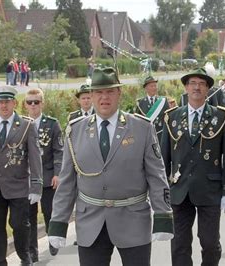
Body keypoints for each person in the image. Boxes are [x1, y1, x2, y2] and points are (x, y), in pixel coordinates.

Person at [48, 67, 174, 266]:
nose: (104, 97)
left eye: (110, 91)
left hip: (133, 218)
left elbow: (156, 175)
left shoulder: (142, 128)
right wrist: (58, 223)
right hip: (91, 221)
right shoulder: (76, 130)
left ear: (119, 94)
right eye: (99, 92)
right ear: (90, 95)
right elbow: (66, 182)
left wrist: (163, 215)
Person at [161, 68, 225, 266]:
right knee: (179, 244)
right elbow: (163, 158)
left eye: (201, 84)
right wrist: (160, 192)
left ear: (208, 90)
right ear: (185, 88)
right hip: (180, 190)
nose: (196, 87)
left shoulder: (220, 117)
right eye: (192, 83)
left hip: (209, 189)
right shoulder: (172, 117)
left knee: (210, 243)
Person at [0, 85, 43, 266]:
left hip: (19, 186)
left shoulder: (26, 125)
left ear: (14, 103)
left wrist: (36, 186)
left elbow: (35, 159)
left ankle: (24, 255)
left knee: (19, 225)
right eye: (0, 102)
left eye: (7, 102)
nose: (4, 106)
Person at [23, 88, 64, 261]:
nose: (33, 105)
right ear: (25, 105)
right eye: (30, 102)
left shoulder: (52, 124)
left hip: (47, 177)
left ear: (42, 103)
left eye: (36, 102)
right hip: (27, 178)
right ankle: (32, 250)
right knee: (28, 217)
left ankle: (52, 238)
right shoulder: (21, 125)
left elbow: (58, 151)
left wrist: (57, 174)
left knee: (49, 211)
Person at [134, 76, 169, 142]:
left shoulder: (163, 101)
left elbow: (168, 118)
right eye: (151, 86)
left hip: (160, 136)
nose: (154, 88)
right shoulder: (140, 103)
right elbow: (137, 121)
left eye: (155, 86)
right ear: (146, 88)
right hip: (146, 136)